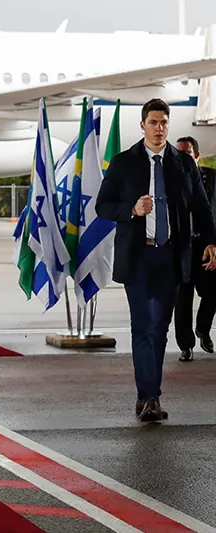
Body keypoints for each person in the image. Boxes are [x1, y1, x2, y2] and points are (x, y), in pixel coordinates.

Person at [95, 98, 216, 423]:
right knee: (142, 327)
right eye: (153, 122)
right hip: (139, 256)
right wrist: (131, 210)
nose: (159, 128)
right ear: (142, 125)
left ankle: (148, 395)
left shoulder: (183, 164)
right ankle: (149, 397)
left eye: (164, 122)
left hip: (172, 255)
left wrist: (212, 241)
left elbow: (202, 208)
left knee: (159, 329)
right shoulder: (123, 163)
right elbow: (102, 206)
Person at [173, 136, 216, 361]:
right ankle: (186, 345)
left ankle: (203, 329)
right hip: (181, 248)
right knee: (182, 299)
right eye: (177, 153)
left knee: (212, 292)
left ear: (196, 155)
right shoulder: (170, 180)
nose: (181, 158)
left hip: (206, 247)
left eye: (186, 154)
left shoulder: (212, 179)